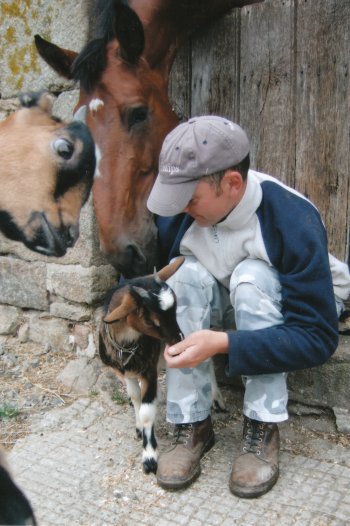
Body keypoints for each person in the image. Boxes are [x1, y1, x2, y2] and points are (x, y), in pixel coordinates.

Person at [146, 115, 350, 498]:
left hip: (292, 307)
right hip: (229, 299)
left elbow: (318, 337)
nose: (179, 209)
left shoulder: (293, 219)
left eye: (189, 198)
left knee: (252, 277)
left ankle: (262, 425)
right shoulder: (181, 216)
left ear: (232, 183)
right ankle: (191, 424)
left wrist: (224, 343)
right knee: (182, 276)